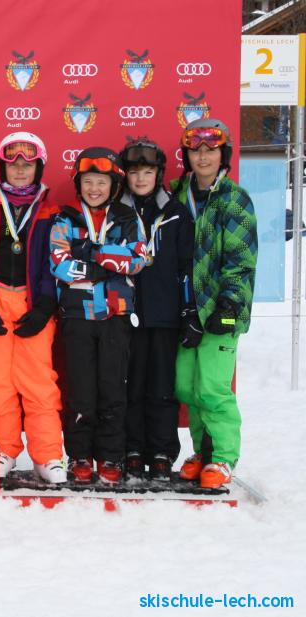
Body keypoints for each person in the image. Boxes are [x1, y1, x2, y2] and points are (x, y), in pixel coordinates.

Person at [49, 147, 146, 485]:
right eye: (88, 181)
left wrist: (92, 253)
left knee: (112, 390)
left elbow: (137, 259)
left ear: (114, 185)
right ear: (79, 184)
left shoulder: (127, 218)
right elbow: (60, 265)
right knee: (81, 391)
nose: (94, 189)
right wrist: (107, 266)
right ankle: (79, 455)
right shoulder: (65, 219)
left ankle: (111, 456)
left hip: (115, 316)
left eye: (101, 182)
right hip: (78, 317)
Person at [0, 132, 64, 482]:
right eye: (13, 164)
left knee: (39, 382)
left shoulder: (50, 210)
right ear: (2, 168)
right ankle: (3, 449)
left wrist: (45, 304)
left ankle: (48, 455)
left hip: (31, 301)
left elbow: (54, 260)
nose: (21, 170)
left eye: (28, 164)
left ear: (39, 168)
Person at [170, 118, 256, 489]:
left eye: (211, 150)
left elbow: (241, 260)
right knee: (187, 387)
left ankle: (222, 457)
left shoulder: (234, 199)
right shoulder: (176, 193)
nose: (203, 157)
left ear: (224, 154)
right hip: (184, 310)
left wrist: (229, 306)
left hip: (219, 311)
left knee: (213, 388)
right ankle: (202, 453)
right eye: (196, 150)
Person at [118, 137, 193, 481]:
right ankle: (132, 448)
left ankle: (161, 451)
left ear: (159, 174)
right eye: (134, 172)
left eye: (147, 172)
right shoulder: (116, 212)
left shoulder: (176, 212)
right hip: (126, 313)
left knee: (162, 386)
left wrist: (188, 310)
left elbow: (186, 266)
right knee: (130, 385)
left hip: (164, 314)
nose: (141, 179)